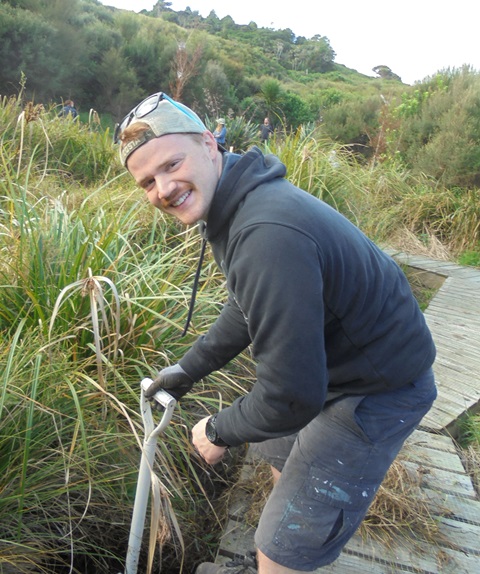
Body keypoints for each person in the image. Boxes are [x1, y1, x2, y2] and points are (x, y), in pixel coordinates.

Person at [114, 92, 437, 574]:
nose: (163, 188)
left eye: (171, 164)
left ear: (209, 143)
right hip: (339, 361)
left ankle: (278, 558)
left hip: (380, 386)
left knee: (285, 542)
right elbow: (245, 308)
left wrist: (218, 429)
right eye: (147, 182)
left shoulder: (266, 231)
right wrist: (186, 370)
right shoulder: (238, 201)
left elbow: (290, 397)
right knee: (276, 450)